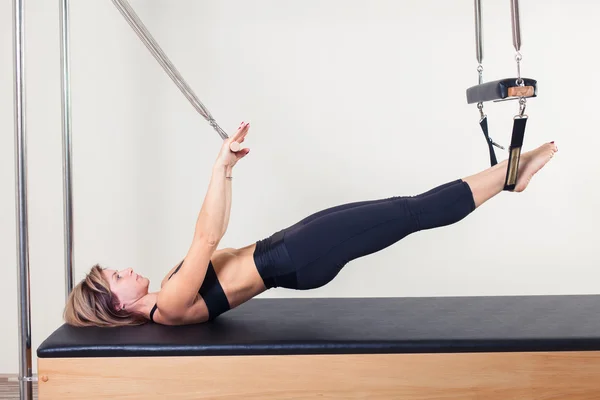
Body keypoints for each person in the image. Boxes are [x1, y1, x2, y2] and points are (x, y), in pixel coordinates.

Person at [64, 121, 558, 327]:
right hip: (296, 257)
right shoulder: (169, 305)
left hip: (289, 247)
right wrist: (222, 168)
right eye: (116, 276)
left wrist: (226, 170)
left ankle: (509, 178)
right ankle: (512, 175)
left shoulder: (166, 299)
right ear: (117, 303)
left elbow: (210, 239)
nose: (126, 269)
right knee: (411, 212)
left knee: (406, 209)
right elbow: (207, 237)